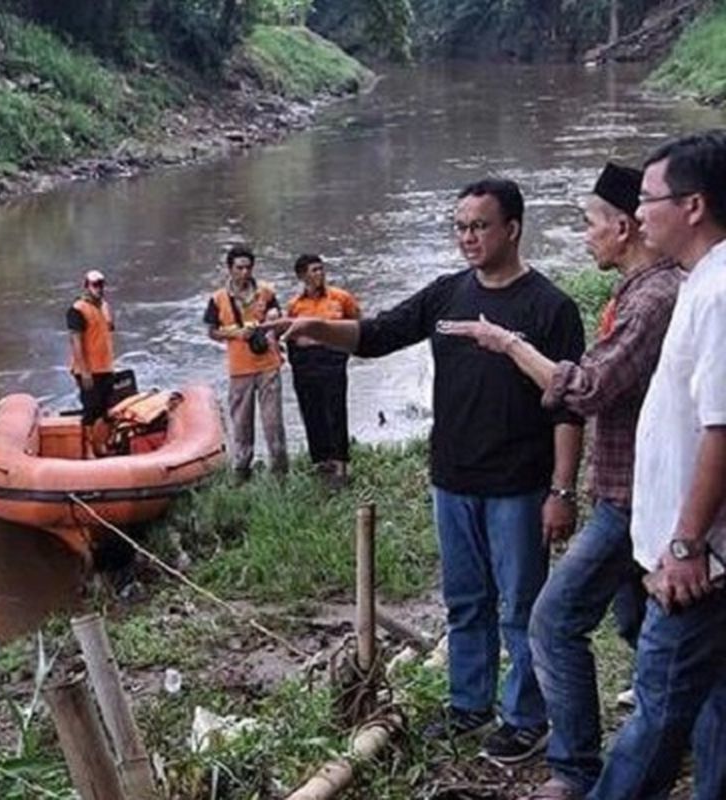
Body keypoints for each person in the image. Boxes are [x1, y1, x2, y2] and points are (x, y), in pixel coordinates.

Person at [265, 178, 585, 764]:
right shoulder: (447, 295)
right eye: (460, 226)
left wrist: (562, 491)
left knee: (520, 607)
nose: (467, 237)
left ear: (512, 228)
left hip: (519, 483)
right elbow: (379, 333)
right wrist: (315, 328)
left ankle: (527, 717)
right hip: (452, 479)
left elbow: (568, 408)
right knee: (465, 601)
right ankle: (470, 705)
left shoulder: (550, 307)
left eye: (479, 226)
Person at [440, 163, 682, 800]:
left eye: (589, 224)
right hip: (630, 490)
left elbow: (588, 387)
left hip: (634, 497)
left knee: (550, 619)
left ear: (625, 226)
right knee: (642, 626)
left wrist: (507, 344)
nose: (584, 237)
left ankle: (575, 767)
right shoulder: (635, 292)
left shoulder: (653, 299)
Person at [584, 132, 726, 800]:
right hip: (700, 556)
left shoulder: (719, 294)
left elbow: (721, 430)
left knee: (655, 719)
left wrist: (685, 544)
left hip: (698, 565)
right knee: (715, 710)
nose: (637, 216)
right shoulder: (704, 282)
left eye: (648, 200)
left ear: (693, 206)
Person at [204, 245, 288, 481]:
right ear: (230, 269)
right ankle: (241, 470)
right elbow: (211, 331)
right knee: (241, 423)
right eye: (239, 267)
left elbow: (279, 321)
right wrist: (235, 334)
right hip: (239, 369)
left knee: (273, 422)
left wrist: (271, 324)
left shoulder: (266, 292)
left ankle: (280, 472)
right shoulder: (218, 298)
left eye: (248, 267)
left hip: (268, 364)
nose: (244, 272)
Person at [286, 254, 360, 484]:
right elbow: (289, 334)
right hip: (305, 362)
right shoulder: (295, 305)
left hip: (332, 359)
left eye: (321, 269)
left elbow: (356, 322)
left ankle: (341, 464)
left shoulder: (340, 298)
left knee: (336, 411)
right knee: (311, 411)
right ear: (302, 276)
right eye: (313, 271)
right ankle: (321, 462)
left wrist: (344, 350)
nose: (319, 275)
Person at [67, 269, 115, 456]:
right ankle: (87, 449)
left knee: (105, 410)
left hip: (106, 366)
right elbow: (76, 342)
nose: (99, 288)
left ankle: (100, 444)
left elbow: (108, 330)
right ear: (86, 286)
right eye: (95, 285)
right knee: (91, 409)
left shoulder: (104, 306)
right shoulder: (77, 310)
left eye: (101, 284)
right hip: (88, 370)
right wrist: (85, 372)